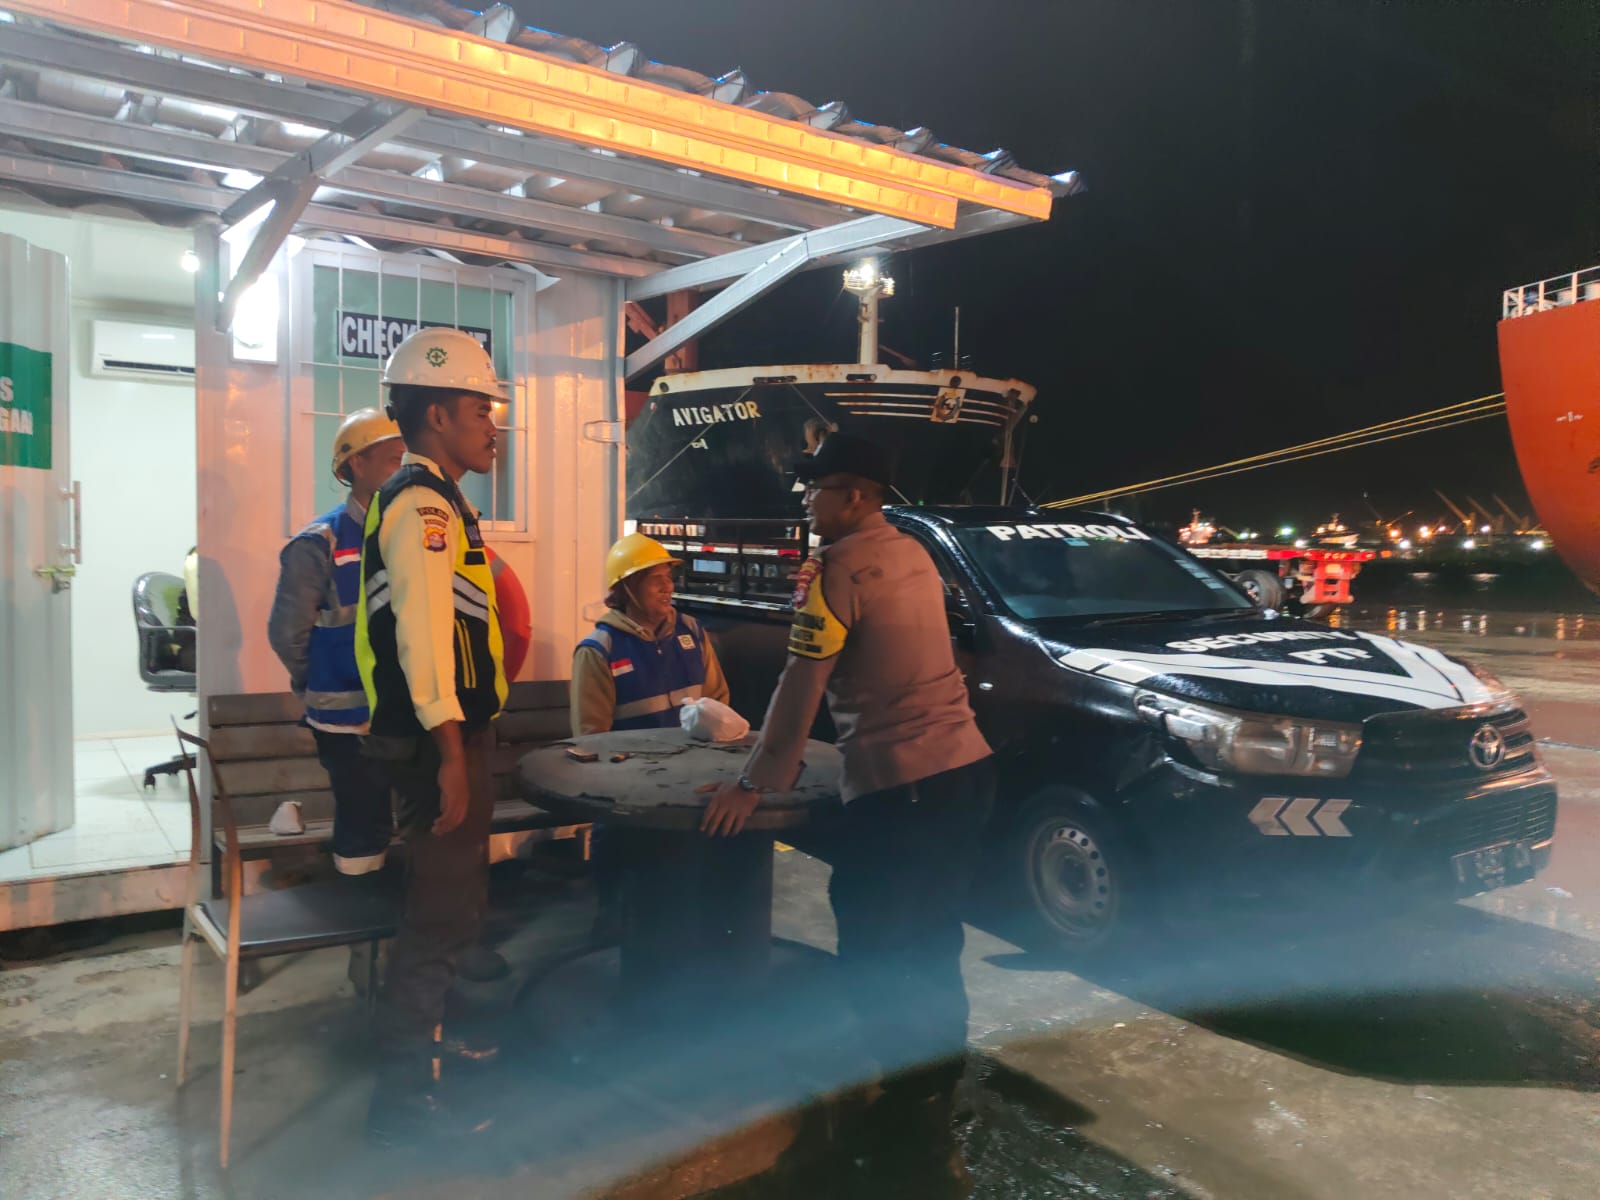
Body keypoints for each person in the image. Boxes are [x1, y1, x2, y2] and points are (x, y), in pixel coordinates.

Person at [699, 432, 995, 1193]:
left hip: (905, 785)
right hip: (965, 770)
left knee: (877, 941)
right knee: (932, 937)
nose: (806, 499)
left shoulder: (834, 570)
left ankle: (908, 1122)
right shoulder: (913, 552)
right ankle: (928, 1100)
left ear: (856, 495)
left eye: (816, 487)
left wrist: (753, 783)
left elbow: (802, 683)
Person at [354, 326, 509, 1146]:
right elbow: (423, 636)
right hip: (436, 745)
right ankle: (403, 1102)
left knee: (456, 907)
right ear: (439, 414)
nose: (493, 426)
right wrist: (452, 755)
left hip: (447, 738)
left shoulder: (439, 500)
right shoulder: (422, 507)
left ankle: (432, 1054)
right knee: (439, 916)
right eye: (482, 410)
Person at [570, 532, 732, 939]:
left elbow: (718, 700)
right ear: (627, 589)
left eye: (668, 578)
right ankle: (611, 916)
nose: (667, 587)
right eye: (654, 579)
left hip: (691, 777)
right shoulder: (599, 649)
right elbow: (591, 736)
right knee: (622, 857)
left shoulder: (693, 633)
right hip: (629, 787)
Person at [268, 408, 406, 869]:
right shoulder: (319, 543)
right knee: (364, 826)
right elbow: (287, 634)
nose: (403, 471)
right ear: (355, 465)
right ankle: (360, 900)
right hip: (348, 722)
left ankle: (394, 906)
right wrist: (318, 681)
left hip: (405, 714)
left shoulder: (411, 536)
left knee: (410, 822)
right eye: (393, 459)